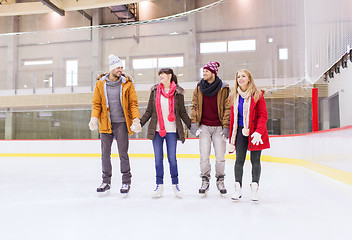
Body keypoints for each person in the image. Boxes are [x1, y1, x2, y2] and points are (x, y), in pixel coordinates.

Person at [89, 54, 141, 195]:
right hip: (106, 124)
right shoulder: (100, 84)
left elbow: (133, 104)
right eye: (118, 67)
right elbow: (97, 104)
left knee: (123, 153)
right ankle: (106, 181)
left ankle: (126, 181)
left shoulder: (127, 83)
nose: (120, 70)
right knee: (105, 154)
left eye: (121, 67)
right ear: (111, 68)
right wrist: (94, 118)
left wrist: (136, 119)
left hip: (122, 124)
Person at [140, 68, 192, 199]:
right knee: (158, 160)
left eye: (162, 75)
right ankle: (159, 186)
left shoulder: (178, 93)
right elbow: (149, 111)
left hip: (172, 131)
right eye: (159, 75)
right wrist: (139, 123)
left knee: (172, 159)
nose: (160, 77)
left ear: (169, 76)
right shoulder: (155, 92)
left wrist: (193, 127)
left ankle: (176, 186)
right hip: (157, 131)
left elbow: (183, 113)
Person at [228, 69, 270, 201]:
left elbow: (263, 115)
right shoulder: (234, 96)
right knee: (239, 160)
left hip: (255, 132)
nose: (240, 79)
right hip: (240, 131)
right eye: (238, 77)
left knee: (255, 161)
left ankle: (255, 189)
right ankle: (238, 189)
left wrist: (258, 132)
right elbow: (232, 119)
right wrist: (230, 138)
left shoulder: (257, 95)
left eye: (243, 76)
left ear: (249, 79)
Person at [190, 61, 231, 196]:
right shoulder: (198, 88)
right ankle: (205, 179)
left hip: (219, 127)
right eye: (203, 71)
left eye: (207, 71)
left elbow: (227, 108)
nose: (204, 73)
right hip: (204, 127)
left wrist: (226, 127)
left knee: (220, 156)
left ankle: (220, 180)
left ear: (213, 73)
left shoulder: (224, 88)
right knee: (204, 156)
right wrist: (193, 123)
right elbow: (194, 106)